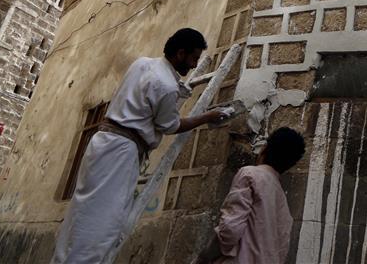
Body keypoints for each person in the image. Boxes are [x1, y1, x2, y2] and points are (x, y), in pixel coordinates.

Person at [52, 28, 226, 264]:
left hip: (103, 142)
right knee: (103, 221)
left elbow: (148, 98)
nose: (195, 65)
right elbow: (171, 125)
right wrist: (207, 116)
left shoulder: (142, 64)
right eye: (193, 58)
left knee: (82, 210)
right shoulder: (166, 86)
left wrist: (179, 92)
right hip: (121, 151)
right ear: (180, 53)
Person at [197, 127, 306, 264]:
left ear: (264, 148)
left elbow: (230, 230)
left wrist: (204, 258)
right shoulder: (283, 206)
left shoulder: (250, 175)